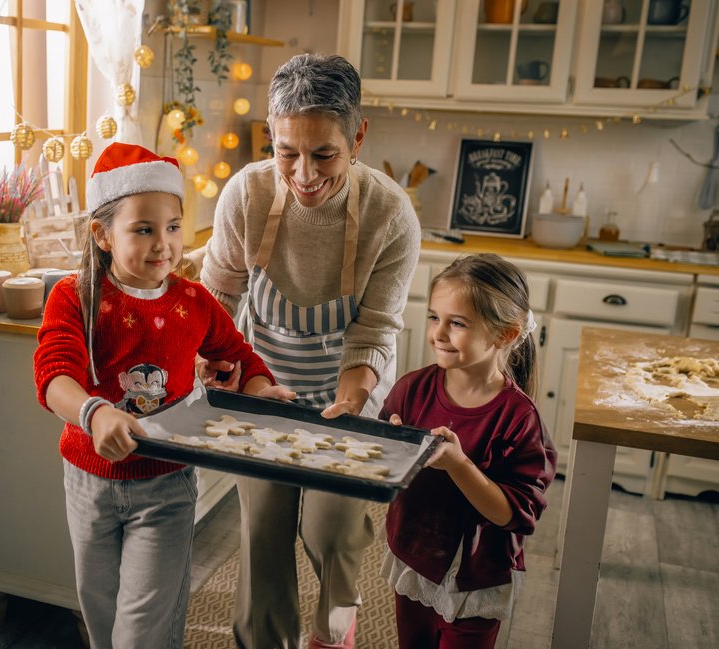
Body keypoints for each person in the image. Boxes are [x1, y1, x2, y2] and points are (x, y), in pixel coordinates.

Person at [200, 53, 421, 649]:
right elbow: (217, 297)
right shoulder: (245, 195)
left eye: (324, 154)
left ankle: (332, 636)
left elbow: (373, 330)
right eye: (286, 151)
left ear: (358, 136)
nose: (303, 173)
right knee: (263, 529)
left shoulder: (390, 214)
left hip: (349, 397)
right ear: (271, 135)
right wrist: (218, 364)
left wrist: (349, 403)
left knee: (332, 531)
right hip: (264, 392)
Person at [33, 142, 291, 649]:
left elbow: (239, 357)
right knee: (102, 619)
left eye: (172, 227)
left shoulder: (194, 301)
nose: (164, 244)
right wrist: (94, 411)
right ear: (103, 234)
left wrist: (261, 388)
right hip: (88, 483)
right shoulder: (75, 296)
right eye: (143, 229)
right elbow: (53, 375)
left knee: (141, 634)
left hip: (166, 485)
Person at [378, 253, 557, 649]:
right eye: (434, 317)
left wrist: (459, 464)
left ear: (505, 335)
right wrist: (388, 445)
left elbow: (512, 514)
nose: (439, 333)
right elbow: (382, 461)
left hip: (475, 578)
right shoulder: (411, 389)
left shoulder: (519, 419)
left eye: (457, 323)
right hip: (415, 554)